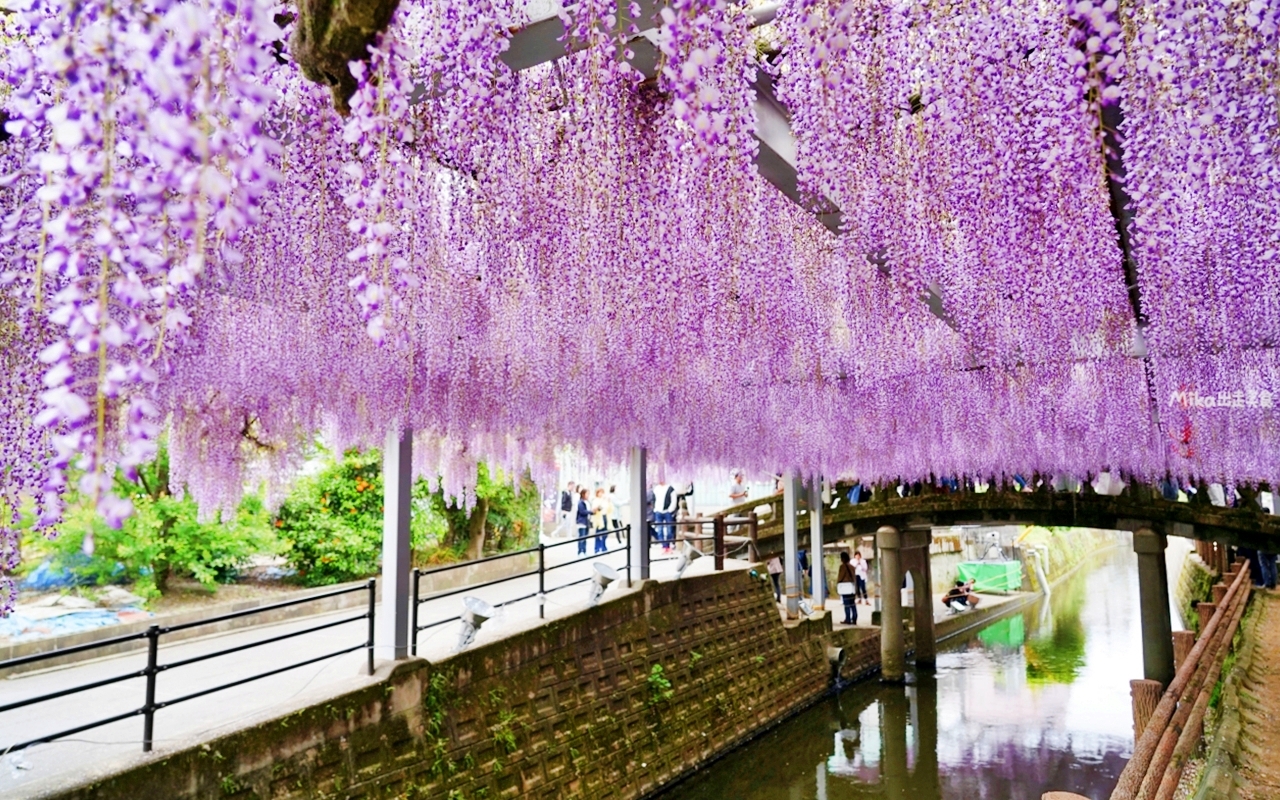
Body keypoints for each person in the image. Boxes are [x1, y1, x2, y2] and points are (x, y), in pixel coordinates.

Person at [653, 481, 677, 552]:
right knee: (660, 530)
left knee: (669, 530)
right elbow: (654, 499)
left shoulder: (670, 488)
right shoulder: (656, 488)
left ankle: (668, 545)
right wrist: (655, 508)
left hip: (667, 511)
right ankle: (664, 546)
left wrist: (670, 510)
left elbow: (673, 501)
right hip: (658, 511)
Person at [836, 551, 858, 625]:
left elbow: (840, 577)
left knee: (847, 604)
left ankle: (848, 619)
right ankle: (854, 618)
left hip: (845, 587)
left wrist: (838, 582)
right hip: (852, 587)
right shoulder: (852, 566)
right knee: (852, 603)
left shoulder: (842, 567)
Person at [593, 487, 610, 553]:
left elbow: (607, 508)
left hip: (604, 516)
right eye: (600, 492)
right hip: (598, 517)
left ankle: (603, 546)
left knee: (605, 533)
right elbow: (595, 508)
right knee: (598, 533)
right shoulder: (596, 500)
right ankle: (597, 548)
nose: (601, 494)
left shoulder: (605, 500)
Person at [575, 488, 592, 555]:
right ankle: (580, 551)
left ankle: (584, 551)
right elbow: (582, 511)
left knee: (585, 537)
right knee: (581, 537)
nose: (588, 495)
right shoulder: (580, 502)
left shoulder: (587, 502)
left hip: (586, 521)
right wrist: (591, 512)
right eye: (587, 494)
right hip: (581, 521)